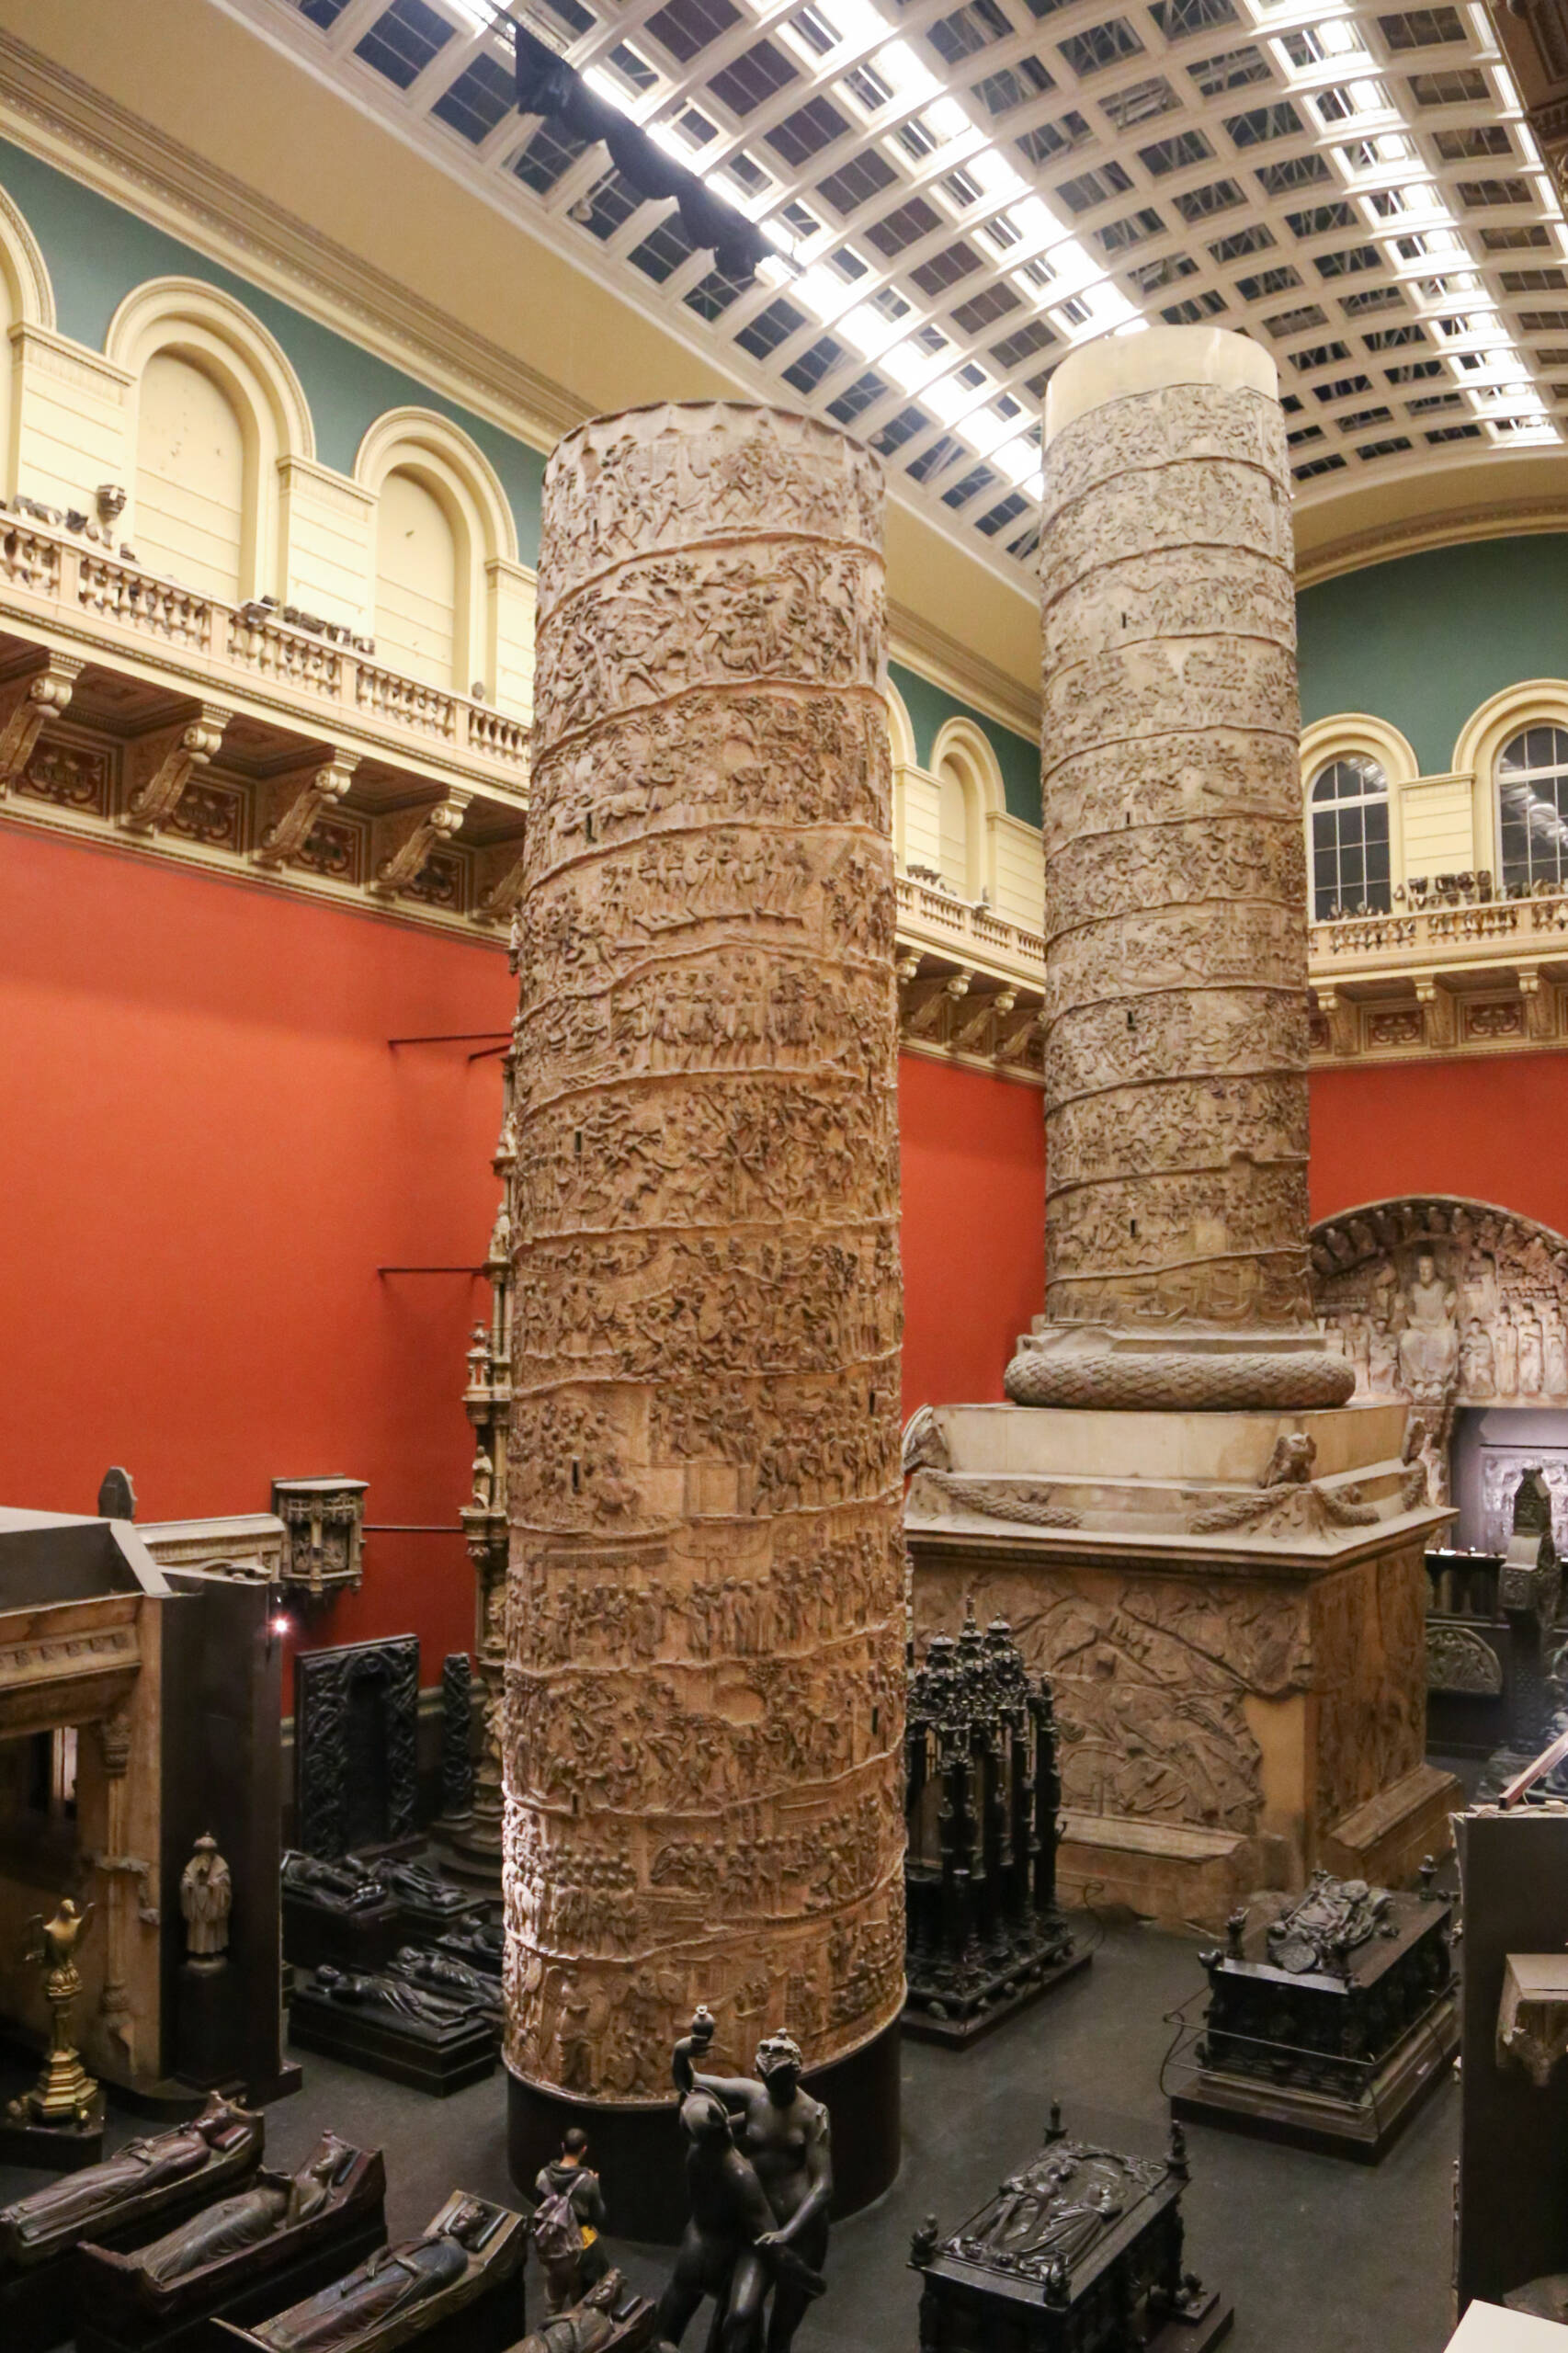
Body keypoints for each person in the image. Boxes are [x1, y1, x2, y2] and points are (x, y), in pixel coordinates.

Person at [666, 2010, 831, 2353]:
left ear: (796, 2070)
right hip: (759, 2230)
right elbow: (690, 2081)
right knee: (741, 2313)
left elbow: (823, 2186)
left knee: (780, 2336)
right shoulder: (753, 2096)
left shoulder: (812, 2114)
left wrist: (789, 2232)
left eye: (779, 2054)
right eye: (766, 2052)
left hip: (802, 2235)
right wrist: (682, 2051)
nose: (770, 2058)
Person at [533, 2129, 609, 2313]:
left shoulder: (542, 2176)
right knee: (580, 2304)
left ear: (562, 2146)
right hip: (577, 2250)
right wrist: (595, 2184)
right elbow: (600, 2217)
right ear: (584, 2150)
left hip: (550, 2246)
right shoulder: (587, 2182)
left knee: (552, 2298)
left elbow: (538, 2210)